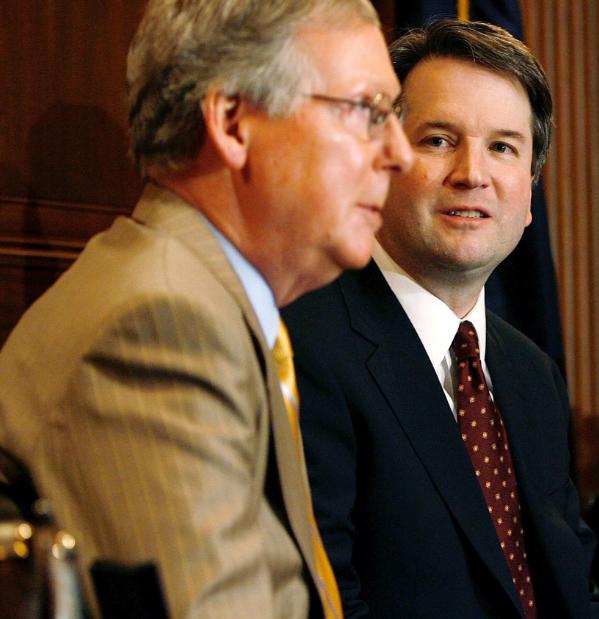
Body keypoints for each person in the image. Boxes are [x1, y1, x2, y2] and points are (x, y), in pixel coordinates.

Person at [0, 1, 411, 616]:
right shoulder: (159, 324)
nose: (400, 153)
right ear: (233, 123)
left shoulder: (205, 301)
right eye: (368, 111)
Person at [282, 19, 599, 619]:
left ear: (530, 191)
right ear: (380, 160)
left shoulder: (531, 374)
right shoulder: (308, 344)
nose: (472, 173)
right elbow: (324, 602)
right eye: (439, 140)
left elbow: (576, 591)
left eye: (503, 147)